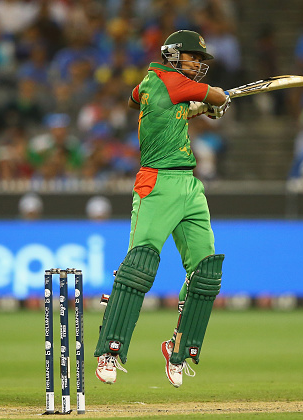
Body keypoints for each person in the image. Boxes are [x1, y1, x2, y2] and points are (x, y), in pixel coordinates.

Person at [94, 29, 231, 388]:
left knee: (205, 272)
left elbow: (133, 100)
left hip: (189, 185)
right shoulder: (170, 80)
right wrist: (216, 100)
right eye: (193, 57)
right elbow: (216, 94)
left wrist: (180, 109)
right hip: (156, 184)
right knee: (139, 266)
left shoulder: (153, 85)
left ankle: (179, 349)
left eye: (202, 60)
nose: (199, 64)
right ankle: (110, 349)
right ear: (172, 55)